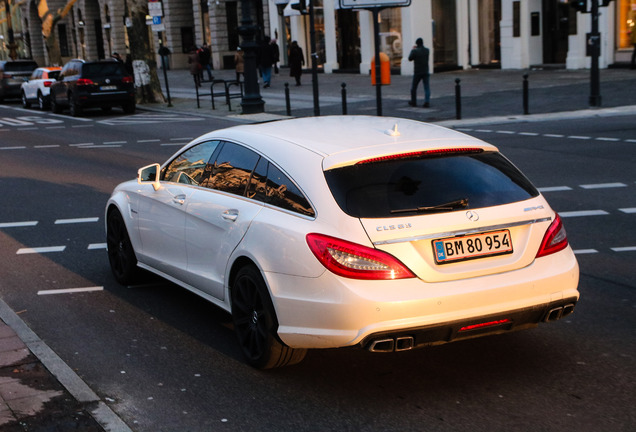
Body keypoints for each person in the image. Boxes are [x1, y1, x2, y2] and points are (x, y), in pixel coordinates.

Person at [408, 37, 430, 108]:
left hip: (417, 71)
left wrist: (413, 50)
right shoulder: (427, 50)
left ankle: (413, 101)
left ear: (417, 44)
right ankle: (427, 101)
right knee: (426, 87)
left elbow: (410, 58)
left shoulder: (415, 51)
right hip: (425, 71)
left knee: (414, 87)